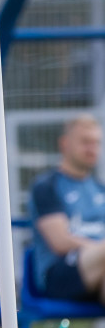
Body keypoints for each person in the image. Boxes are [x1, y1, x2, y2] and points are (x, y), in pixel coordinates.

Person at [29, 114, 105, 304]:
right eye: (85, 142)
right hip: (60, 274)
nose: (92, 149)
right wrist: (100, 250)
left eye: (96, 143)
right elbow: (60, 242)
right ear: (64, 143)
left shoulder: (99, 188)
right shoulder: (47, 186)